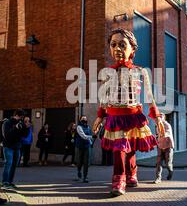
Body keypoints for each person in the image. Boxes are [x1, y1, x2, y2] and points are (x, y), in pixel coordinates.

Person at [93, 28, 164, 196]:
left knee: (130, 147)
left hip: (133, 116)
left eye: (122, 45)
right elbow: (104, 97)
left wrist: (158, 118)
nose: (117, 49)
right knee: (119, 148)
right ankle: (119, 178)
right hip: (115, 116)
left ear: (132, 48)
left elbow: (149, 97)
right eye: (113, 45)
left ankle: (132, 174)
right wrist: (99, 116)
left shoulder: (141, 72)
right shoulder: (107, 73)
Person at [1, 109, 28, 189]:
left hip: (17, 147)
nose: (21, 119)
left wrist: (26, 127)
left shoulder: (21, 123)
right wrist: (15, 128)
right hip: (8, 147)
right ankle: (5, 182)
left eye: (22, 117)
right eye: (20, 117)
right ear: (16, 115)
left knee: (14, 165)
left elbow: (25, 135)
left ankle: (10, 182)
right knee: (8, 164)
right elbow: (7, 135)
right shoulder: (7, 123)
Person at [154, 113, 175, 184]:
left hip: (168, 147)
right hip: (160, 146)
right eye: (158, 117)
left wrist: (162, 135)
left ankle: (170, 171)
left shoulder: (167, 125)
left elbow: (167, 133)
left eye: (161, 116)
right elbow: (156, 136)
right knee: (158, 163)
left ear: (164, 118)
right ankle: (158, 178)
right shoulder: (157, 126)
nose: (159, 118)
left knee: (168, 163)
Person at [75, 115, 93, 182]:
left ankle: (85, 177)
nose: (84, 119)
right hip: (80, 146)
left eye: (85, 118)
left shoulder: (88, 127)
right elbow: (83, 136)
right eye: (83, 118)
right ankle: (79, 171)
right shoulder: (79, 127)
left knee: (86, 162)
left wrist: (91, 143)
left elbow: (88, 137)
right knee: (80, 161)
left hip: (87, 146)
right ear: (80, 120)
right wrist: (91, 137)